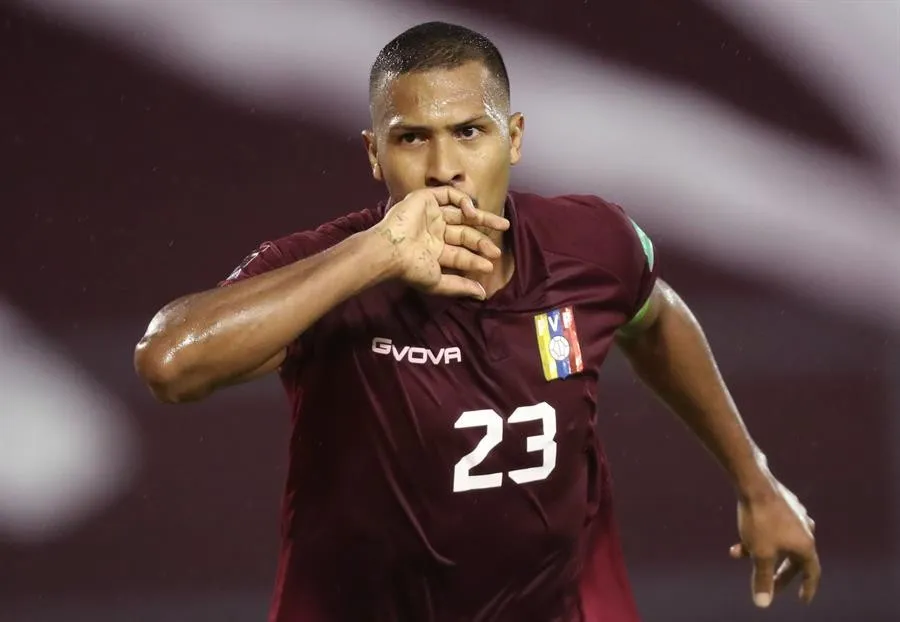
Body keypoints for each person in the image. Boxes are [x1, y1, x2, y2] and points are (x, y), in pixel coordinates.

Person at [134, 21, 820, 622]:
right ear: (374, 154)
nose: (444, 169)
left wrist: (755, 482)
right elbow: (169, 364)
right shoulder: (327, 273)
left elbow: (655, 314)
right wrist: (377, 253)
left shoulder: (591, 245)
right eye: (412, 139)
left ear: (513, 138)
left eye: (469, 133)